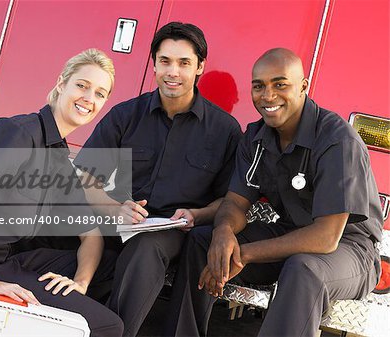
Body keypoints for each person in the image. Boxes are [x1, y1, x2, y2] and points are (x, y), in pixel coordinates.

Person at [164, 48, 383, 337]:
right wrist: (223, 234)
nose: (267, 96)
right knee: (204, 243)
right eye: (259, 86)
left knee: (303, 269)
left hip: (350, 250)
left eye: (280, 84)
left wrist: (243, 254)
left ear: (303, 87)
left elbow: (326, 236)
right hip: (290, 233)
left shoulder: (337, 140)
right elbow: (235, 202)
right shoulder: (255, 137)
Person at [73, 22, 242, 336]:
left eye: (184, 63)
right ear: (153, 64)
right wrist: (114, 207)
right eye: (165, 61)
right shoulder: (125, 115)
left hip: (174, 231)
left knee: (146, 247)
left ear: (200, 67)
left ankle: (111, 332)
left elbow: (230, 199)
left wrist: (198, 214)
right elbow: (83, 177)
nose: (173, 72)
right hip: (118, 220)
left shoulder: (225, 131)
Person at [0, 49, 124, 337]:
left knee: (116, 264)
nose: (90, 98)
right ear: (62, 83)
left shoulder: (58, 155)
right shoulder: (19, 134)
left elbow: (90, 234)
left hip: (4, 258)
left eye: (100, 93)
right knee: (109, 327)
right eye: (82, 85)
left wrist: (80, 283)